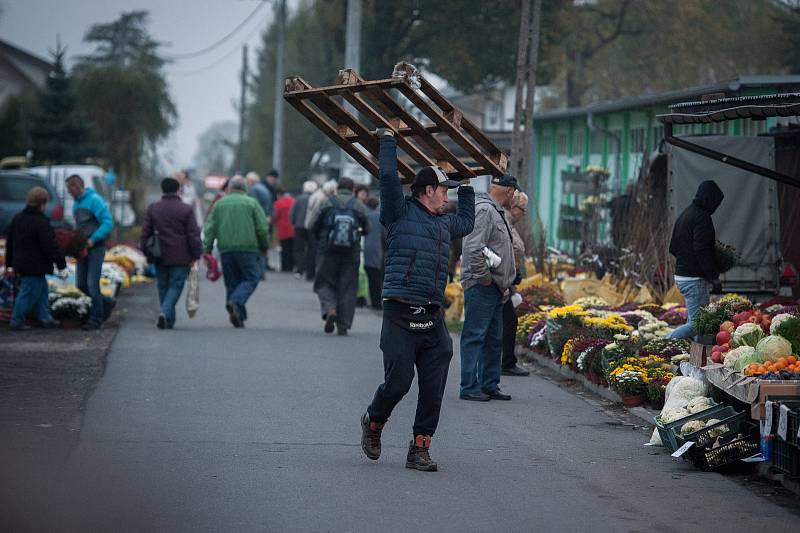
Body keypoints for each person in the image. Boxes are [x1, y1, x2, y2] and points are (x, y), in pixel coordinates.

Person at [361, 129, 474, 472]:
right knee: (398, 383)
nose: (446, 197)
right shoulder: (398, 213)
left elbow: (467, 221)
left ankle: (420, 448)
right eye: (444, 191)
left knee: (434, 383)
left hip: (432, 316)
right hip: (399, 312)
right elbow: (388, 176)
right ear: (428, 190)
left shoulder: (443, 224)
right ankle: (374, 421)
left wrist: (466, 182)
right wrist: (389, 140)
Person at [459, 174, 518, 402]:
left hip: (494, 286)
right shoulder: (485, 210)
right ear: (510, 191)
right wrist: (485, 279)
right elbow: (473, 249)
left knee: (494, 337)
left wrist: (503, 283)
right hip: (482, 284)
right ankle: (469, 385)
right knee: (475, 336)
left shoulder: (495, 211)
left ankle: (489, 383)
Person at [203, 176, 269, 328]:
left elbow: (210, 228)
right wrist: (264, 246)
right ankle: (236, 302)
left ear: (230, 188)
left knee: (232, 282)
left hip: (226, 249)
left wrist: (207, 249)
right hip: (248, 248)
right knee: (252, 278)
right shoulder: (252, 203)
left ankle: (239, 315)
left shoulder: (219, 204)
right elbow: (262, 228)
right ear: (245, 188)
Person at [307, 177, 369, 336]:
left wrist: (320, 240)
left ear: (337, 188)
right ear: (353, 190)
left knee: (323, 282)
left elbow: (311, 225)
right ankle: (343, 325)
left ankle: (330, 309)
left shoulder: (326, 202)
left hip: (327, 251)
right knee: (347, 287)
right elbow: (367, 229)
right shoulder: (359, 205)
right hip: (351, 253)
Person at [140, 177, 203, 329]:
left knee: (162, 286)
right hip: (181, 255)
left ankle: (168, 319)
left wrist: (147, 252)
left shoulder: (154, 208)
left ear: (162, 190)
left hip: (159, 254)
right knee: (176, 285)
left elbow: (145, 234)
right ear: (178, 190)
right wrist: (196, 254)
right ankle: (164, 312)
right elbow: (193, 234)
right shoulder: (185, 209)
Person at [667, 180, 725, 339]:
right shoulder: (702, 218)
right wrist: (713, 277)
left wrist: (686, 260)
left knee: (698, 324)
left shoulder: (685, 214)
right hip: (694, 280)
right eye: (716, 204)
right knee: (696, 325)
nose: (715, 208)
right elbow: (702, 251)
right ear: (709, 199)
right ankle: (663, 343)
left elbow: (673, 248)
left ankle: (697, 357)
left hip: (682, 276)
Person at [6, 187, 68, 330]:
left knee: (42, 292)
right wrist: (61, 265)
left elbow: (10, 243)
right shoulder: (41, 222)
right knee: (28, 293)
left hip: (22, 263)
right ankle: (16, 321)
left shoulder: (18, 218)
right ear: (43, 203)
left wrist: (9, 264)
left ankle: (46, 319)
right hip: (35, 265)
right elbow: (50, 246)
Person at [66, 174, 115, 330]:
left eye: (70, 188)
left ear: (77, 186)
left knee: (92, 284)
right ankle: (106, 303)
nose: (68, 192)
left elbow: (108, 223)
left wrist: (92, 239)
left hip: (95, 247)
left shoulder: (94, 200)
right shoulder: (76, 204)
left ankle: (95, 320)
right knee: (81, 284)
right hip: (82, 249)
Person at [502, 190, 531, 377]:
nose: (523, 213)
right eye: (522, 209)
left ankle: (507, 361)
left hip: (508, 280)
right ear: (513, 207)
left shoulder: (510, 224)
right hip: (503, 281)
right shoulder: (504, 222)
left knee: (509, 321)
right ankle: (506, 362)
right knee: (507, 321)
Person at [304, 180, 337, 281]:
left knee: (311, 250)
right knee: (316, 252)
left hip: (310, 225)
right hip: (314, 226)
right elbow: (317, 214)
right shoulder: (322, 199)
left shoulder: (315, 195)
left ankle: (310, 273)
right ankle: (313, 274)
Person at [289, 180, 318, 280]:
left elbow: (293, 212)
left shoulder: (299, 198)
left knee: (299, 249)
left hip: (299, 226)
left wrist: (293, 221)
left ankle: (299, 270)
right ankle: (310, 271)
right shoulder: (316, 199)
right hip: (311, 227)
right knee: (311, 249)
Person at [246, 171, 273, 274]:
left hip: (258, 219)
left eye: (247, 181)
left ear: (251, 181)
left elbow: (253, 206)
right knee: (263, 243)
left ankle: (259, 271)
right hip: (266, 218)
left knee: (256, 246)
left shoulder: (254, 190)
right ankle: (262, 269)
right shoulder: (264, 189)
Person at [362, 196, 386, 310]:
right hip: (375, 251)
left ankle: (360, 299)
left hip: (362, 249)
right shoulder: (379, 217)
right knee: (375, 278)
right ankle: (376, 302)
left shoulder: (363, 214)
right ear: (377, 205)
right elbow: (384, 236)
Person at [272, 187, 296, 272]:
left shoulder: (278, 203)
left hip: (283, 229)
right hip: (293, 228)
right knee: (292, 248)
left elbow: (275, 216)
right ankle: (292, 265)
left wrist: (272, 222)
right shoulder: (293, 201)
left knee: (285, 249)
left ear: (278, 194)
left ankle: (285, 266)